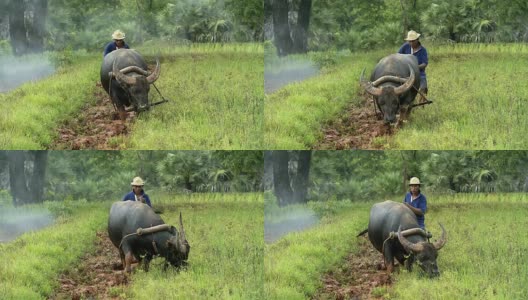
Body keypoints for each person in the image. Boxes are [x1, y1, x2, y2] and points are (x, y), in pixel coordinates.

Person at [398, 30, 428, 103]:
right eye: (410, 41)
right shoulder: (405, 47)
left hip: (419, 73)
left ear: (417, 40)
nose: (411, 43)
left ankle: (421, 102)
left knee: (423, 87)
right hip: (405, 72)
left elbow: (424, 63)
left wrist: (415, 68)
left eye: (413, 41)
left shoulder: (423, 50)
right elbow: (398, 56)